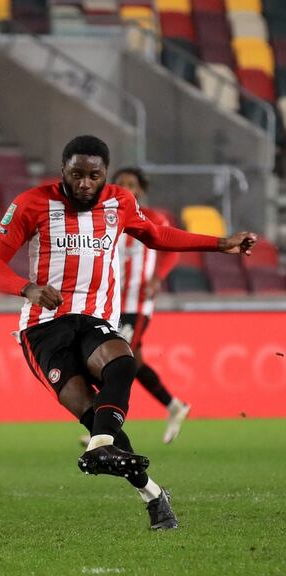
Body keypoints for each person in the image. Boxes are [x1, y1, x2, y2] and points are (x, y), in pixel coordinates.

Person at [0, 135, 256, 530]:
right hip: (43, 328)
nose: (86, 183)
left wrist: (221, 243)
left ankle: (102, 450)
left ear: (105, 173)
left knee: (123, 361)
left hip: (93, 318)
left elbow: (158, 235)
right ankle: (153, 494)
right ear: (63, 171)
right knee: (92, 419)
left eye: (94, 175)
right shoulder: (30, 203)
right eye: (77, 174)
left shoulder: (119, 203)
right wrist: (28, 288)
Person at [113, 167, 191, 444]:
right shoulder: (107, 219)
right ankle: (174, 406)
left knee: (117, 360)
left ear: (141, 190)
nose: (125, 187)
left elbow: (170, 249)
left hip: (137, 301)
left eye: (131, 184)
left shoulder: (154, 219)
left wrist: (158, 278)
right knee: (133, 363)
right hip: (110, 303)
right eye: (120, 183)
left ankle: (105, 430)